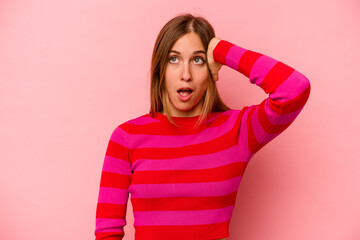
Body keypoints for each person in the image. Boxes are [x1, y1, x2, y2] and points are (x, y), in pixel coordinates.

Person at [94, 13, 311, 240]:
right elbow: (107, 232)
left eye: (197, 60)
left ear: (210, 69)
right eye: (173, 59)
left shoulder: (238, 130)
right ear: (160, 69)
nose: (185, 75)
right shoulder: (126, 137)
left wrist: (223, 51)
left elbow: (294, 88)